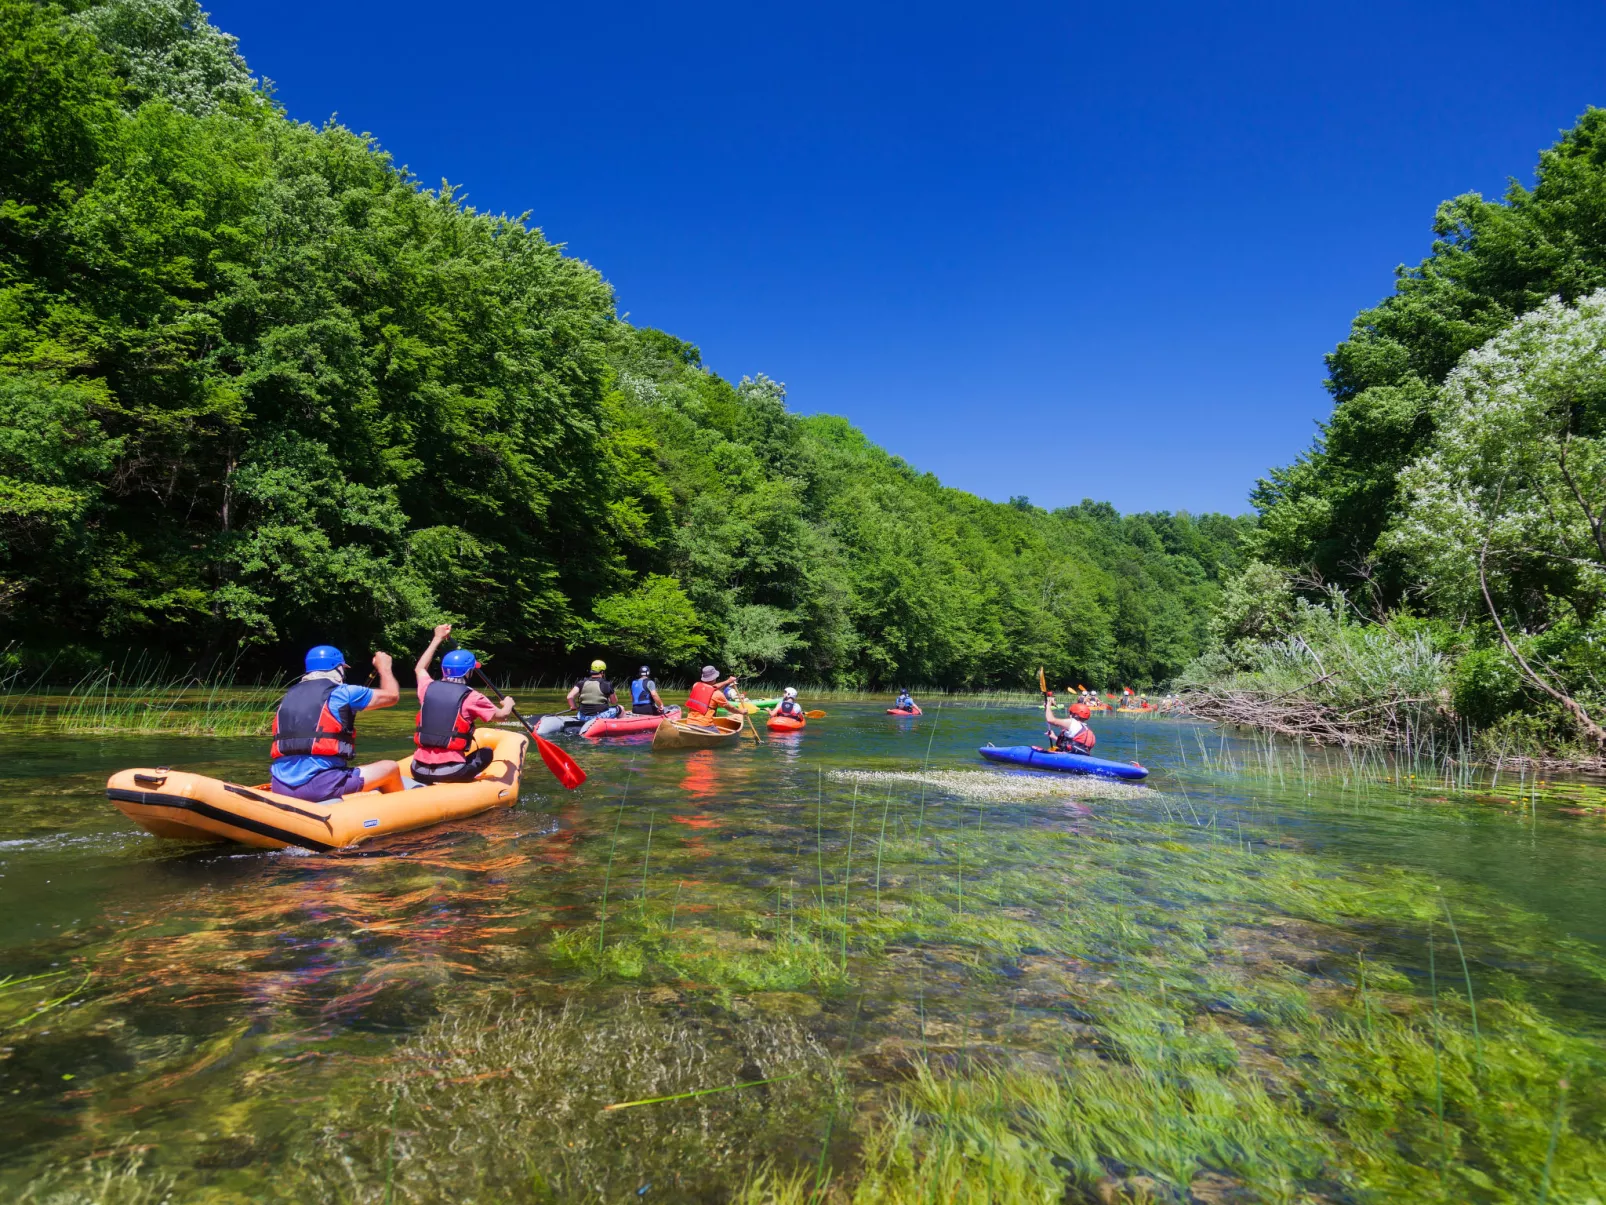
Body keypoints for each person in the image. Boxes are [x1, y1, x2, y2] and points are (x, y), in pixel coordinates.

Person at [269, 644, 402, 801]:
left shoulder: (289, 696)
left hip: (279, 786)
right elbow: (392, 695)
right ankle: (406, 810)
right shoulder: (343, 693)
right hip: (321, 785)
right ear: (338, 669)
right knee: (390, 767)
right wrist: (384, 668)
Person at [410, 623, 517, 785]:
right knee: (486, 753)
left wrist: (437, 638)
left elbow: (419, 668)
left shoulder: (427, 688)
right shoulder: (472, 697)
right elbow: (502, 717)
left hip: (417, 769)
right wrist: (507, 704)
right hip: (451, 772)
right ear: (469, 672)